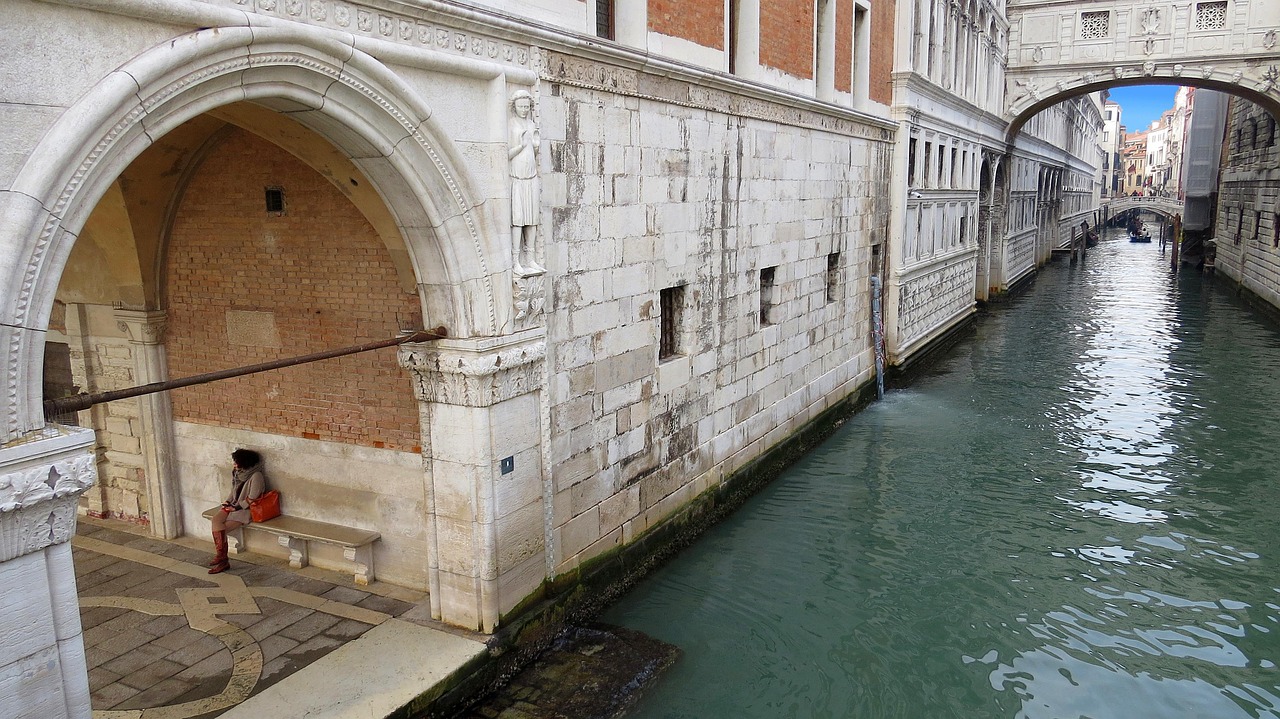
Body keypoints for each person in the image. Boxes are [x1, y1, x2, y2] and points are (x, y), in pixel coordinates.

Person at [208, 448, 266, 574]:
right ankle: (222, 558)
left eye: (236, 461)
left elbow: (253, 498)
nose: (234, 464)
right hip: (233, 505)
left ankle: (223, 561)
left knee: (221, 530)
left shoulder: (256, 476)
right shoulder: (237, 472)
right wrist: (228, 502)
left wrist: (236, 507)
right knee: (216, 520)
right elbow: (233, 491)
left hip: (245, 510)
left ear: (244, 462)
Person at [508, 89, 544, 276]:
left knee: (532, 220)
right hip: (517, 178)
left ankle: (529, 258)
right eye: (520, 106)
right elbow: (506, 154)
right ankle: (515, 261)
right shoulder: (511, 124)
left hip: (531, 177)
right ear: (514, 107)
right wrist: (521, 145)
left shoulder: (531, 124)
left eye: (526, 107)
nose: (524, 109)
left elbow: (533, 153)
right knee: (518, 219)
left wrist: (535, 147)